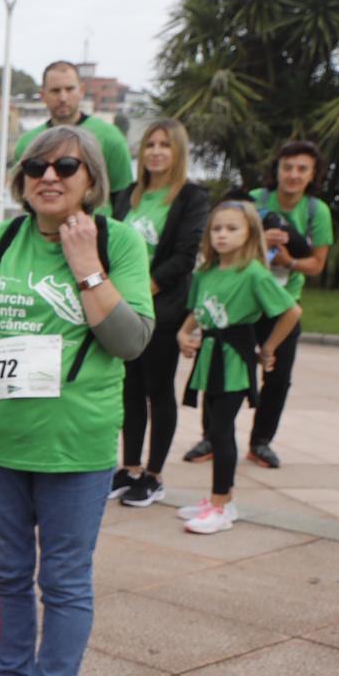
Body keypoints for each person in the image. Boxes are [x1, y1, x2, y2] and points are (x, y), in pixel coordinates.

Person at [0, 127, 154, 676]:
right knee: (5, 575)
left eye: (67, 165)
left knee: (63, 581)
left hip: (74, 446)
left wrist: (87, 267)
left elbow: (132, 341)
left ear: (91, 179)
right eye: (38, 164)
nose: (50, 175)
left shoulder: (118, 243)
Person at [176, 203, 300, 535]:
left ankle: (220, 506)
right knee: (213, 429)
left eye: (232, 228)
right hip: (210, 358)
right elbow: (198, 311)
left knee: (220, 431)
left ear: (249, 234)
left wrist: (270, 346)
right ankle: (222, 500)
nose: (222, 235)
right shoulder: (205, 272)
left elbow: (291, 311)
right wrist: (183, 333)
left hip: (233, 360)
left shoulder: (254, 273)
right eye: (216, 228)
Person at [115, 120, 207, 509]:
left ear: (178, 151)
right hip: (123, 310)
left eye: (165, 145)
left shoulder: (191, 197)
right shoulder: (126, 197)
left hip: (163, 310)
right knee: (129, 389)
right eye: (150, 144)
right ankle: (130, 467)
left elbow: (184, 257)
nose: (155, 151)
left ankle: (154, 475)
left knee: (158, 389)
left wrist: (141, 291)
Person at [234, 140, 333, 469]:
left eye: (301, 169)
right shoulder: (254, 202)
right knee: (227, 369)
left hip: (283, 307)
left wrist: (289, 260)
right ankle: (212, 435)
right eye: (287, 167)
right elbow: (227, 242)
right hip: (244, 302)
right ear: (276, 170)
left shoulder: (316, 212)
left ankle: (260, 442)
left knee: (278, 378)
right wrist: (260, 242)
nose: (293, 174)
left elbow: (317, 264)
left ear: (312, 175)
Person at [10, 62, 134, 216]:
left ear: (81, 91)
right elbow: (25, 197)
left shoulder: (111, 138)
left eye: (69, 89)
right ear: (42, 95)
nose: (63, 98)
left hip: (96, 232)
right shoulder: (27, 144)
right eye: (55, 91)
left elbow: (123, 196)